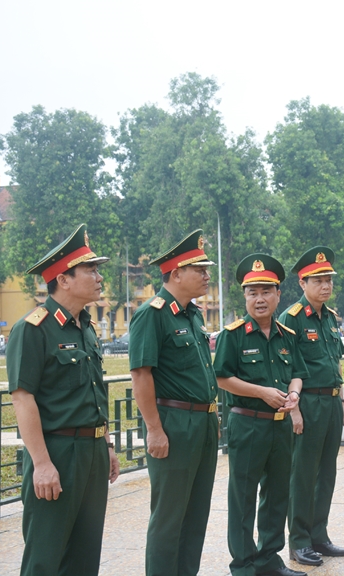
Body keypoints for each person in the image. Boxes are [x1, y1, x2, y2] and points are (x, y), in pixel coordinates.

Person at [6, 223, 120, 576]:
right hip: (57, 452)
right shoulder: (33, 329)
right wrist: (41, 463)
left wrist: (108, 445)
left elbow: (93, 392)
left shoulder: (86, 327)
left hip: (92, 453)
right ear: (64, 279)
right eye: (91, 270)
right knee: (46, 554)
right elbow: (23, 398)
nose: (100, 277)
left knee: (85, 555)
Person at [129, 229, 220, 576]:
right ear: (176, 273)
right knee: (169, 516)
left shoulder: (192, 315)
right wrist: (154, 429)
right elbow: (141, 375)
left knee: (196, 513)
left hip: (203, 422)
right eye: (200, 269)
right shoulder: (151, 314)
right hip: (174, 423)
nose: (207, 275)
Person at [214, 254, 308, 576]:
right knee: (243, 498)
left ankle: (269, 559)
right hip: (248, 424)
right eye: (252, 292)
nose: (259, 299)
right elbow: (222, 377)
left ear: (279, 294)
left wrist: (293, 393)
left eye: (266, 291)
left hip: (280, 427)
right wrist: (262, 392)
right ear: (244, 296)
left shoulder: (287, 336)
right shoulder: (234, 334)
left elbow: (297, 372)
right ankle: (243, 565)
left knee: (277, 495)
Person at [280, 247, 344, 567]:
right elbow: (284, 368)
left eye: (329, 280)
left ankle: (319, 535)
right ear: (303, 283)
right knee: (302, 474)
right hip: (306, 402)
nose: (326, 286)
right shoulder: (291, 318)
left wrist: (343, 401)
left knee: (326, 472)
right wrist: (293, 409)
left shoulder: (331, 318)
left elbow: (335, 363)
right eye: (318, 280)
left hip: (331, 402)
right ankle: (299, 541)